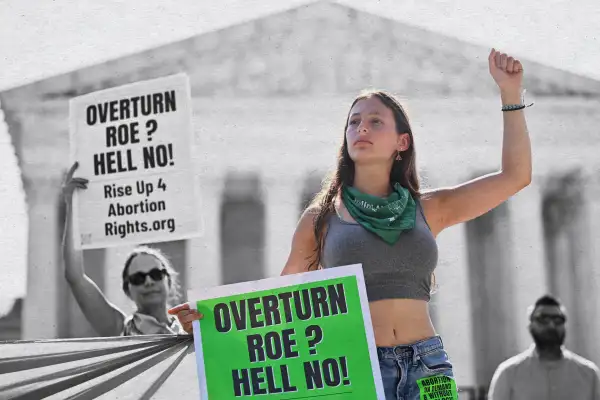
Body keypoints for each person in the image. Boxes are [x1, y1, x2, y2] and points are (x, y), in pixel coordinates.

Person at [169, 48, 532, 399]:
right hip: (357, 368)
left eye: (376, 121)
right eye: (354, 122)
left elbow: (515, 177)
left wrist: (510, 93)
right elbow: (277, 304)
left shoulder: (430, 208)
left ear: (401, 141)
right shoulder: (321, 219)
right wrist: (211, 325)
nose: (362, 128)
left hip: (428, 365)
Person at [62, 162, 186, 336]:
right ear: (128, 290)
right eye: (138, 278)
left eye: (156, 274)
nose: (149, 282)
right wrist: (71, 205)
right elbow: (75, 277)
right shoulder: (120, 328)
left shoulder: (189, 331)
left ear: (169, 281)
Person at [488, 295, 600, 399]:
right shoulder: (509, 374)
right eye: (543, 319)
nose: (551, 325)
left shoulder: (589, 374)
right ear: (530, 325)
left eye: (557, 319)